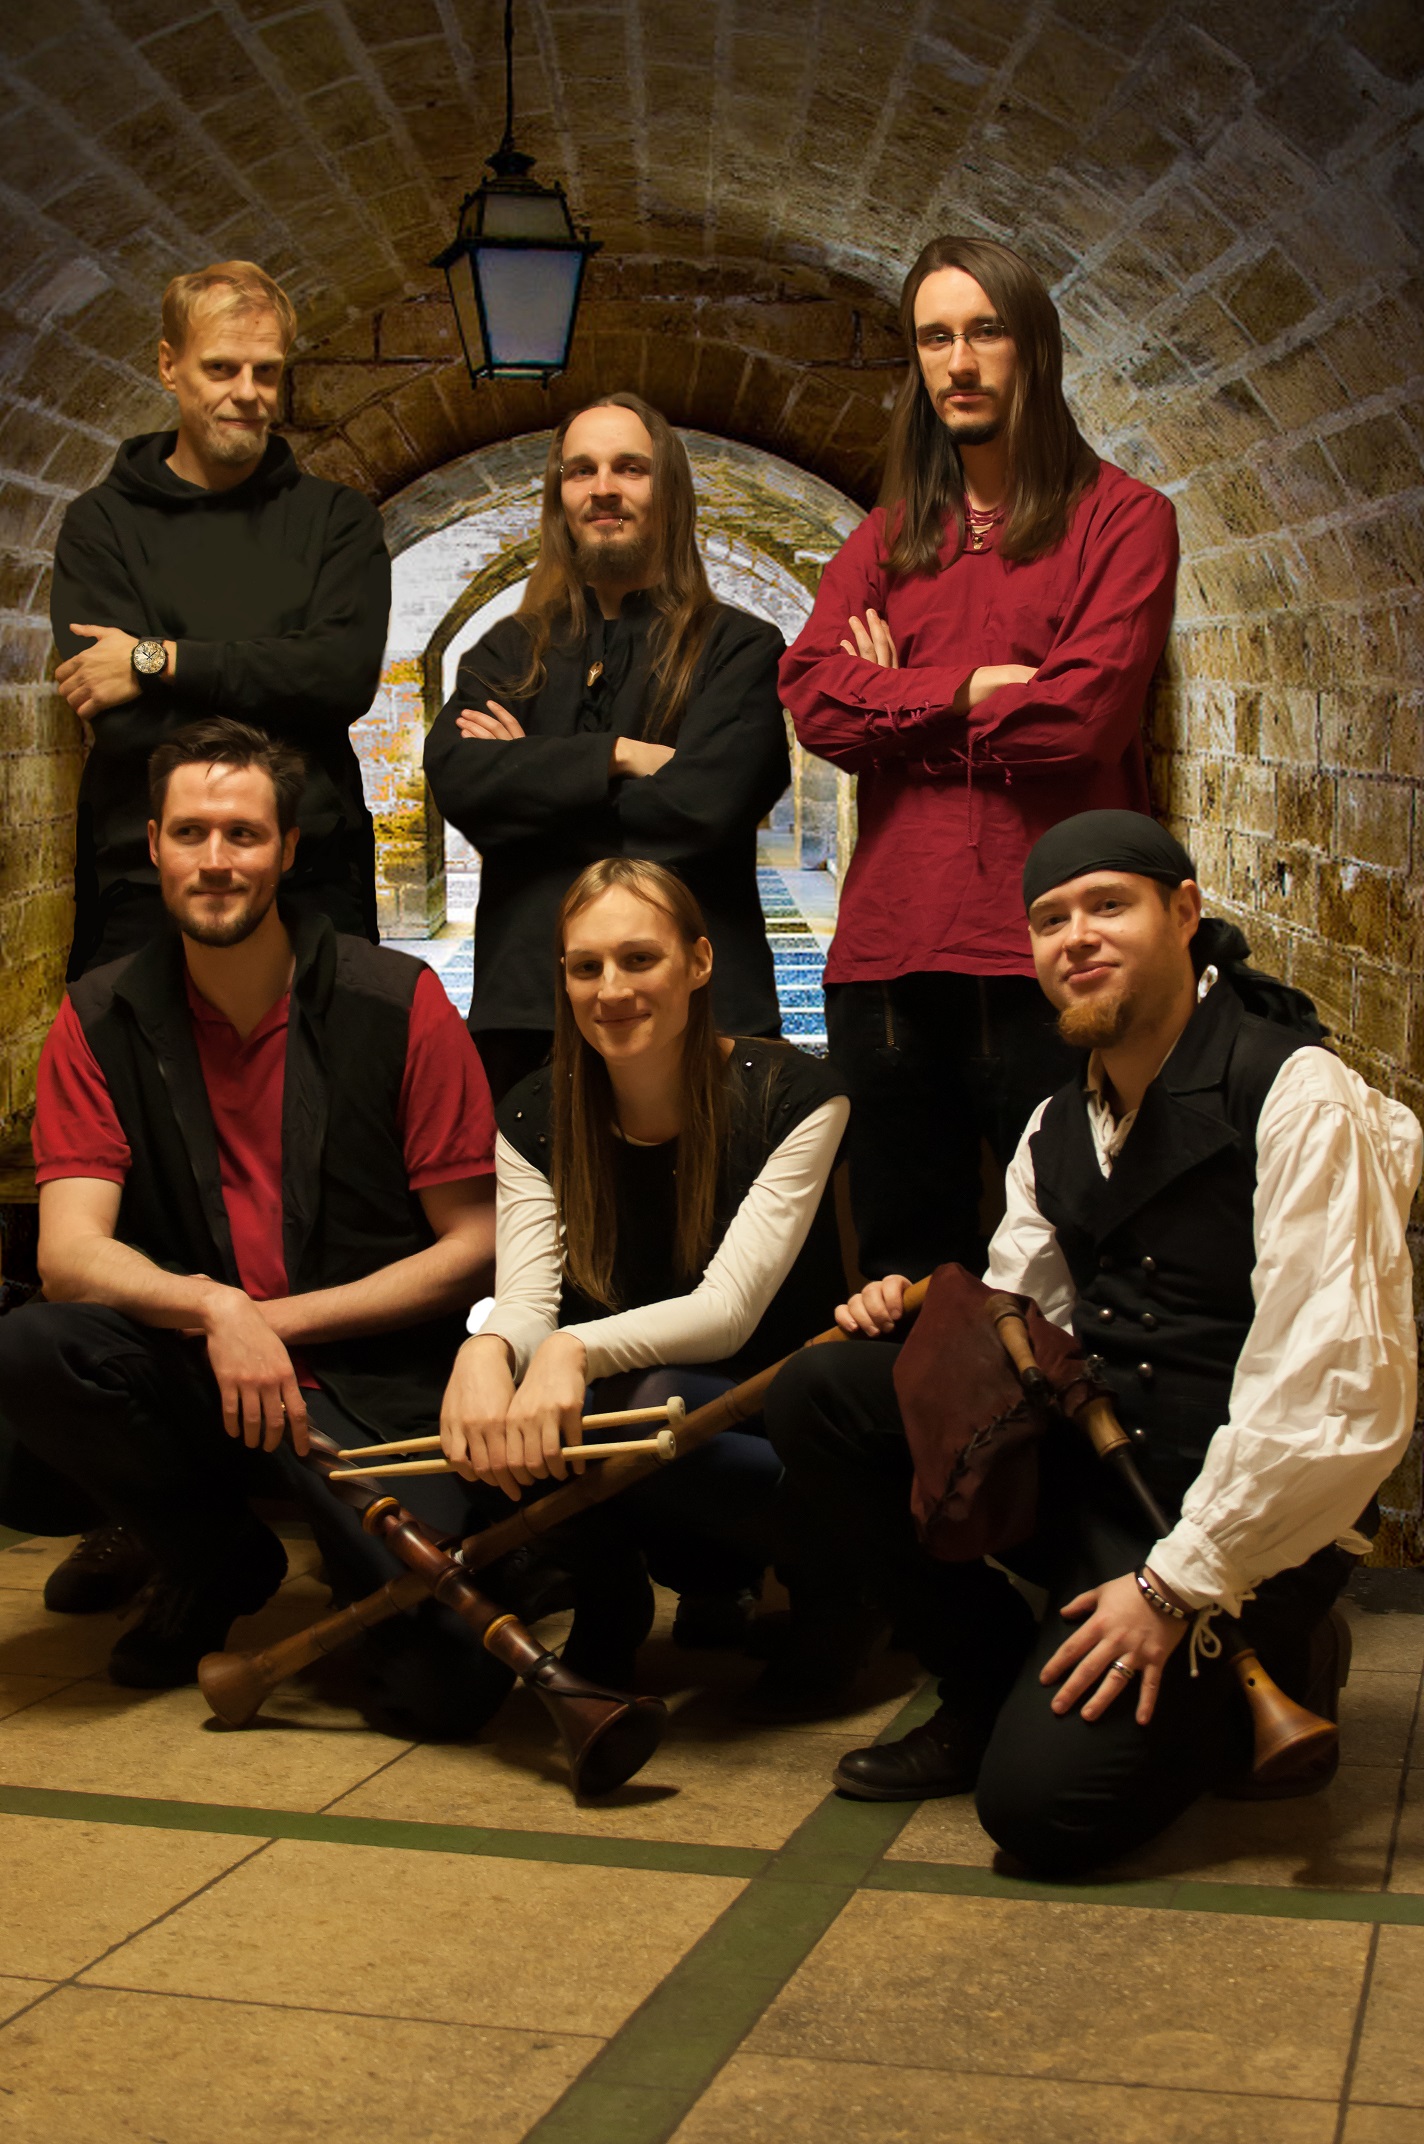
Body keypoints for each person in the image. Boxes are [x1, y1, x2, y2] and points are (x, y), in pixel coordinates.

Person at [762, 810, 1420, 1875]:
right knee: (828, 1390)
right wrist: (928, 1329)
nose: (1076, 937)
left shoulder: (1296, 1097)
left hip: (1235, 1521)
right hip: (1106, 1468)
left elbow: (1334, 1391)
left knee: (1042, 1813)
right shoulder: (1056, 1124)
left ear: (1185, 913)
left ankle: (1286, 1644)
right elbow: (1020, 1324)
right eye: (1049, 919)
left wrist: (1177, 1584)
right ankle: (984, 1687)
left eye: (1108, 906)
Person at [0, 719, 510, 1734]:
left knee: (443, 1692)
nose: (216, 860)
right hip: (200, 1374)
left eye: (243, 834)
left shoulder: (397, 1002)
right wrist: (217, 1309)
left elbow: (472, 1247)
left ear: (286, 848)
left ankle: (442, 1563)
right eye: (191, 832)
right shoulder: (98, 1016)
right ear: (154, 844)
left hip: (368, 1378)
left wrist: (269, 1324)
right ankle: (213, 1560)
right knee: (34, 1344)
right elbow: (68, 1253)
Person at [780, 236, 1180, 1283]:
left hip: (1057, 959)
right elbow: (811, 699)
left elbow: (1078, 722)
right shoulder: (887, 538)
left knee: (1078, 1267)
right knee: (903, 1278)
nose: (958, 362)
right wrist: (964, 688)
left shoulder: (1126, 521)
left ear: (1032, 347)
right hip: (889, 958)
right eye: (934, 338)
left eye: (984, 332)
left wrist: (895, 710)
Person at [437, 856, 849, 1684]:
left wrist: (569, 1349)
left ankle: (835, 1588)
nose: (611, 989)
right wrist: (487, 1351)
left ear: (699, 962)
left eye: (639, 959)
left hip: (780, 1427)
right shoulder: (535, 1113)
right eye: (585, 967)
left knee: (632, 1398)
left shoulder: (794, 1096)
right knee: (505, 1403)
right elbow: (527, 1301)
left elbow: (728, 1312)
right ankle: (608, 1589)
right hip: (632, 1417)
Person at [425, 392, 789, 1103]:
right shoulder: (509, 652)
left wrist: (532, 785)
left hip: (706, 1016)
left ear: (668, 491)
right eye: (581, 470)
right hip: (530, 1011)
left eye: (630, 468)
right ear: (560, 497)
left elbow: (704, 807)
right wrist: (619, 756)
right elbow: (461, 781)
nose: (603, 488)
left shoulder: (739, 649)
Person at [52, 260, 391, 979]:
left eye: (266, 372)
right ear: (168, 366)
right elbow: (123, 723)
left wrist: (156, 660)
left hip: (312, 876)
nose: (247, 393)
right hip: (146, 885)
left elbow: (340, 677)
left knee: (338, 1055)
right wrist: (283, 684)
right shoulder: (100, 525)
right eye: (221, 368)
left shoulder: (337, 521)